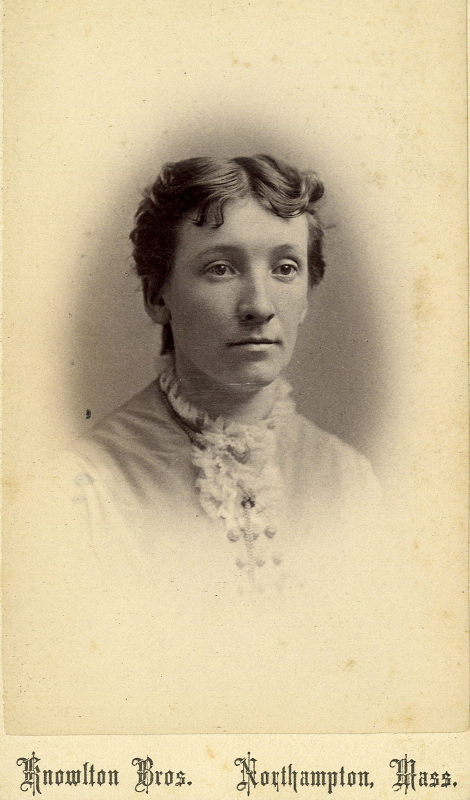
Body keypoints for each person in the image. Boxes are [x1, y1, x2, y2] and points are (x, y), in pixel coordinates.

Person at [5, 155, 385, 734]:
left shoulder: (350, 481)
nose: (259, 304)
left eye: (285, 267)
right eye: (220, 269)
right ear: (158, 297)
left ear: (307, 295)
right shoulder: (77, 494)